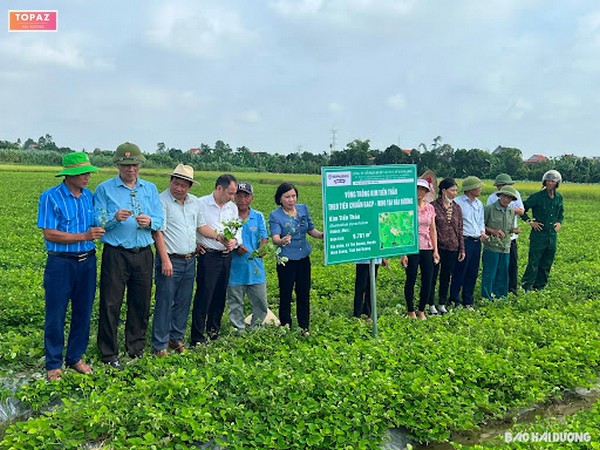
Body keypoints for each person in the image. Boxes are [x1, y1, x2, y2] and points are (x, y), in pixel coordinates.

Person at [94, 142, 163, 370]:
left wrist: (150, 221)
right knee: (110, 303)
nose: (130, 169)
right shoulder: (104, 189)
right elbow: (98, 223)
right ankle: (108, 353)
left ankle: (135, 349)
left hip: (143, 252)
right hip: (116, 253)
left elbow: (161, 220)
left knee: (140, 303)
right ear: (117, 165)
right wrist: (115, 218)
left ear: (139, 165)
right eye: (125, 165)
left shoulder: (150, 189)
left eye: (134, 164)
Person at [38, 152, 104, 381]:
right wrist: (83, 235)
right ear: (69, 175)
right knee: (55, 313)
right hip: (60, 263)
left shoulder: (90, 197)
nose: (87, 177)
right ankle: (54, 362)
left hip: (87, 261)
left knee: (83, 311)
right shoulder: (50, 197)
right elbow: (50, 233)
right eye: (82, 173)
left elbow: (98, 224)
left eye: (87, 172)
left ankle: (75, 356)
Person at [151, 165, 204, 356]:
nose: (178, 188)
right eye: (176, 183)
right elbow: (158, 232)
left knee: (183, 301)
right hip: (170, 259)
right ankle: (159, 344)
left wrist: (217, 238)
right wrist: (165, 260)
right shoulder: (161, 200)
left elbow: (197, 227)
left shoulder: (195, 203)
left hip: (190, 259)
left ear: (189, 187)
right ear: (170, 181)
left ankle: (175, 338)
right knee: (165, 301)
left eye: (183, 185)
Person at [190, 174, 241, 345]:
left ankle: (213, 331)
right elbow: (192, 226)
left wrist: (234, 241)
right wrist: (195, 243)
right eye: (230, 193)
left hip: (226, 256)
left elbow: (237, 230)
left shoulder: (232, 208)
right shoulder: (200, 203)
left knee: (220, 295)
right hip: (208, 255)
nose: (233, 197)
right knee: (204, 295)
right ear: (219, 188)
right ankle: (197, 336)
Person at [269, 182, 324, 335]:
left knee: (303, 292)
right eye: (287, 197)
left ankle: (304, 327)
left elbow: (310, 229)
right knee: (286, 294)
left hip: (303, 257)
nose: (291, 200)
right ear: (280, 198)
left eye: (293, 196)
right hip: (286, 260)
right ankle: (286, 326)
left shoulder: (303, 209)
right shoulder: (275, 215)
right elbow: (275, 237)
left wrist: (321, 235)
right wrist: (281, 241)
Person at [227, 182, 269, 333]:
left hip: (255, 266)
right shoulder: (229, 216)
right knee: (235, 301)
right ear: (234, 197)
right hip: (235, 266)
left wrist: (262, 249)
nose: (242, 199)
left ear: (252, 198)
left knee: (260, 300)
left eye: (246, 196)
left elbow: (264, 237)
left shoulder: (258, 216)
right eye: (239, 195)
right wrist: (236, 246)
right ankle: (238, 330)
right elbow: (224, 235)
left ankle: (257, 328)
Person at [401, 178, 440, 320]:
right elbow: (403, 230)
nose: (420, 192)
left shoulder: (430, 208)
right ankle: (410, 310)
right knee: (410, 278)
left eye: (423, 189)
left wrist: (435, 250)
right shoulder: (407, 207)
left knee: (428, 279)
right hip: (412, 246)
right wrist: (403, 252)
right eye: (417, 189)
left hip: (427, 247)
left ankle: (421, 309)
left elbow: (433, 230)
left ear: (426, 192)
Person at [520, 170, 564, 292]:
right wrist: (530, 221)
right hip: (539, 235)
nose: (550, 183)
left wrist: (559, 222)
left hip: (551, 235)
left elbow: (561, 213)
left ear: (557, 183)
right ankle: (526, 285)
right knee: (534, 261)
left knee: (547, 262)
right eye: (548, 181)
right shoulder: (537, 197)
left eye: (553, 181)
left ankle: (540, 286)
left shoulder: (559, 198)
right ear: (544, 182)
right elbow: (522, 209)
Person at [449, 176, 488, 309]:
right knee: (460, 271)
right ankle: (454, 300)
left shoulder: (479, 204)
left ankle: (468, 300)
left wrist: (482, 231)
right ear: (470, 189)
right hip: (464, 241)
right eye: (478, 187)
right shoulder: (457, 203)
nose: (480, 189)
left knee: (472, 272)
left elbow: (481, 221)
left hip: (477, 241)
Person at [428, 178, 465, 315]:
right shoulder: (433, 206)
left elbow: (460, 228)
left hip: (452, 247)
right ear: (444, 191)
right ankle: (430, 303)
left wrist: (462, 248)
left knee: (446, 277)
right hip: (437, 247)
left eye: (456, 190)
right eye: (452, 190)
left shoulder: (456, 208)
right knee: (432, 276)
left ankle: (441, 303)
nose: (455, 193)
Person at [486, 174, 524, 295]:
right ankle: (492, 290)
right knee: (494, 266)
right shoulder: (492, 198)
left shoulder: (515, 194)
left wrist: (506, 209)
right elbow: (488, 215)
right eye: (501, 186)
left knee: (511, 264)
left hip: (510, 238)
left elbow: (521, 211)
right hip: (495, 239)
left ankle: (511, 289)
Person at [481, 186, 518, 301]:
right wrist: (493, 231)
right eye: (505, 197)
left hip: (505, 246)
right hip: (491, 246)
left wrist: (513, 230)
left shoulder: (511, 211)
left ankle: (501, 296)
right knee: (489, 273)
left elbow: (509, 228)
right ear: (500, 196)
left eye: (510, 198)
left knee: (503, 273)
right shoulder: (489, 209)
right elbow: (481, 225)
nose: (507, 200)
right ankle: (487, 297)